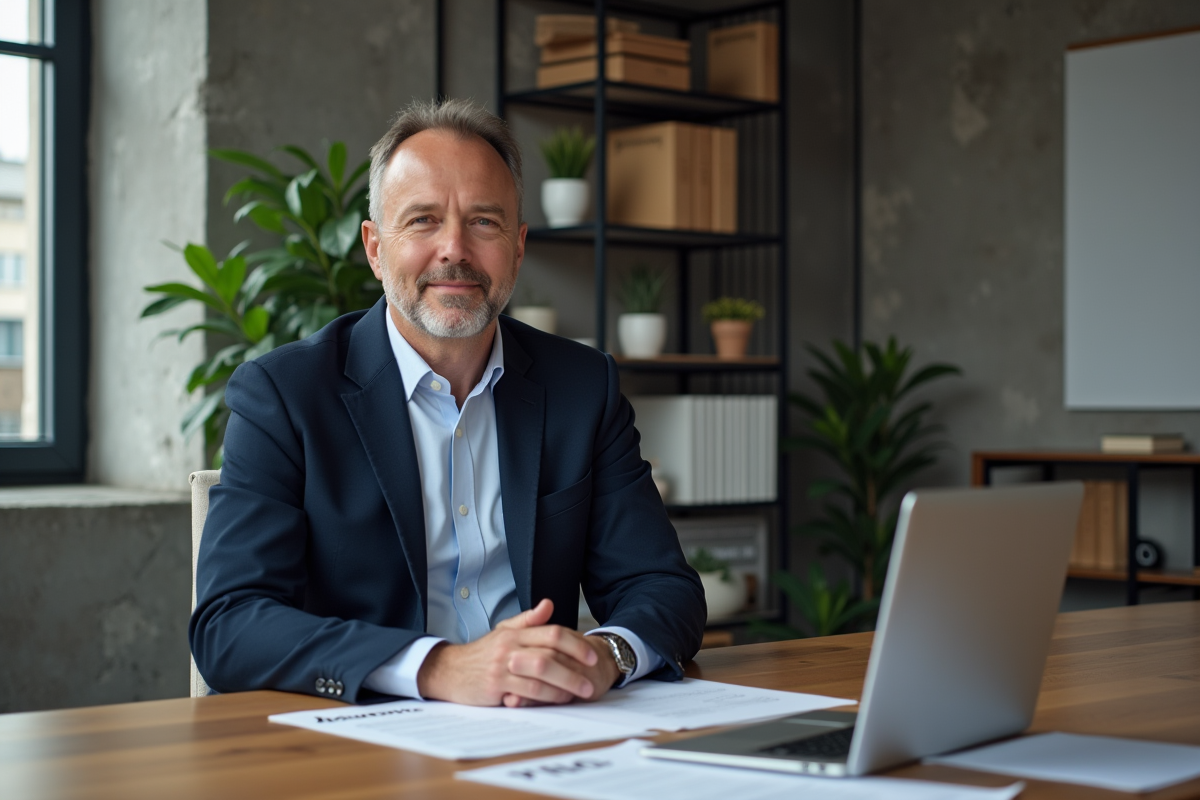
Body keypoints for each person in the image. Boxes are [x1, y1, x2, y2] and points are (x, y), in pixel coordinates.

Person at [189, 99, 706, 708]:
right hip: (363, 742)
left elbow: (663, 587)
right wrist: (437, 669)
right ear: (375, 248)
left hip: (545, 731)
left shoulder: (582, 388)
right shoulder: (284, 396)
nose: (454, 249)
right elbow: (230, 624)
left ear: (517, 248)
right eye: (423, 221)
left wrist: (606, 655)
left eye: (484, 222)